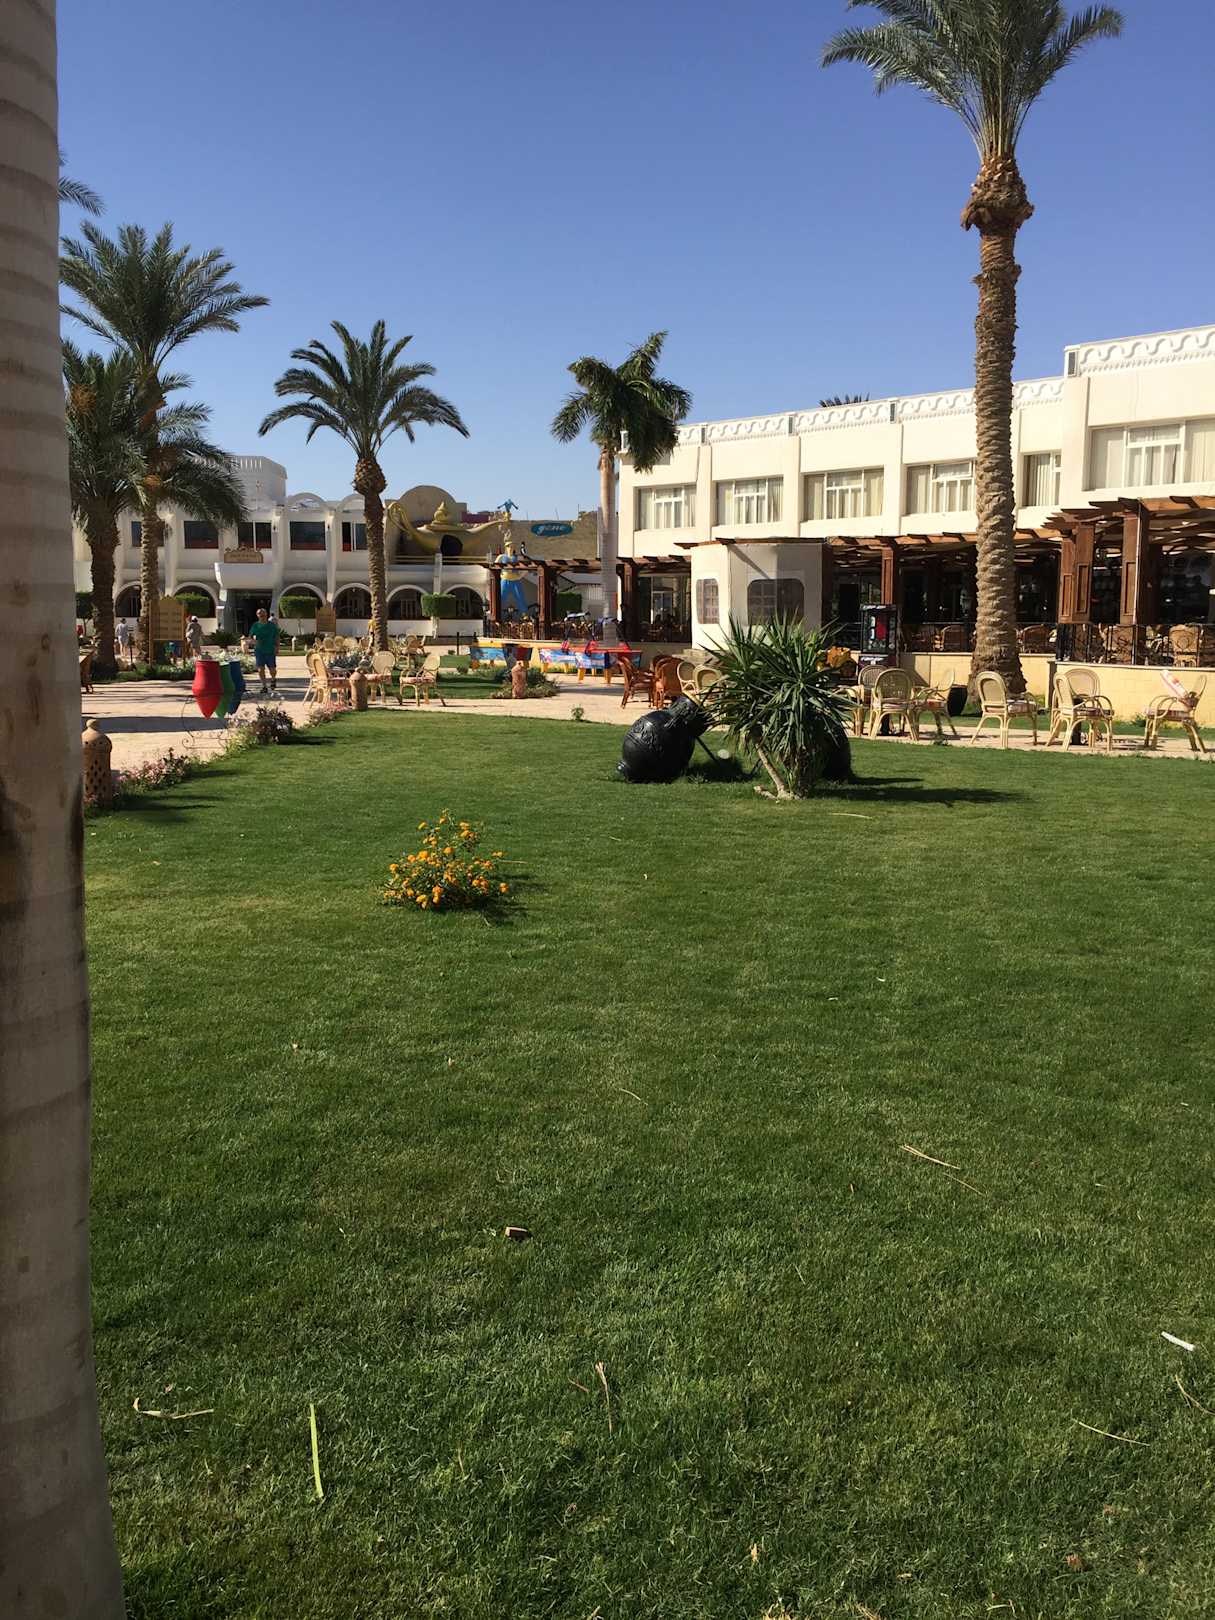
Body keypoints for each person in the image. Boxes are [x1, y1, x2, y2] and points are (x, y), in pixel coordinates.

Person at [250, 607, 279, 695]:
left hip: (270, 650)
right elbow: (251, 636)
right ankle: (264, 686)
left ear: (266, 615)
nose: (262, 616)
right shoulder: (255, 625)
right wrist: (253, 640)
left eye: (263, 614)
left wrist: (277, 647)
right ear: (257, 615)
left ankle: (273, 679)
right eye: (260, 614)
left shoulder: (272, 626)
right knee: (260, 669)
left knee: (272, 670)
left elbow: (276, 637)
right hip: (259, 650)